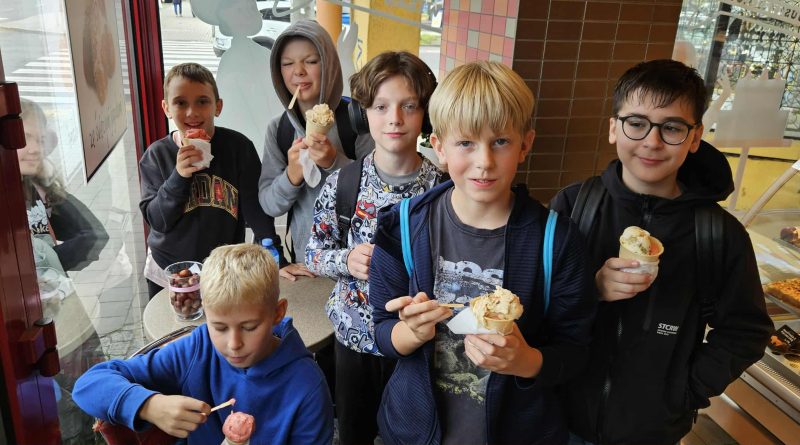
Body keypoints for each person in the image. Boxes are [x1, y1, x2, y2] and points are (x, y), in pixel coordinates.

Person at [369, 61, 596, 445]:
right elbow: (381, 332)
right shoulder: (402, 227)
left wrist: (525, 361)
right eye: (466, 143)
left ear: (525, 144)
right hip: (413, 431)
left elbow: (576, 351)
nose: (484, 162)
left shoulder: (557, 240)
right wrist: (410, 332)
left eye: (501, 142)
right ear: (439, 146)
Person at [549, 59, 772, 445]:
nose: (652, 141)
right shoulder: (574, 207)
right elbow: (535, 302)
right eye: (637, 123)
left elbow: (746, 330)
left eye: (671, 127)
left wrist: (684, 390)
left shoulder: (718, 234)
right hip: (556, 421)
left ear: (695, 137)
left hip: (652, 431)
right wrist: (591, 289)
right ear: (613, 128)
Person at [305, 51, 442, 445]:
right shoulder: (344, 184)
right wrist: (346, 259)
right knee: (354, 434)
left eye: (409, 106)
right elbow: (314, 252)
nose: (394, 118)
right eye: (381, 107)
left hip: (417, 344)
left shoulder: (441, 189)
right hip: (355, 341)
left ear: (425, 115)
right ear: (362, 113)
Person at [73, 243, 334, 444]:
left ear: (277, 313)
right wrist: (149, 405)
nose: (233, 344)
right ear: (205, 313)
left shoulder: (307, 388)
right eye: (219, 327)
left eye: (249, 327)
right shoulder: (198, 350)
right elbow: (88, 385)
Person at [139, 62, 285, 298]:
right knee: (176, 321)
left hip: (225, 268)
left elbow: (255, 207)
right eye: (180, 103)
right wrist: (179, 176)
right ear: (166, 108)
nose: (192, 112)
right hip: (169, 270)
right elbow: (157, 220)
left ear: (218, 106)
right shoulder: (156, 155)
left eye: (202, 101)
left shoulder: (238, 148)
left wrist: (277, 256)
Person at [258, 20, 374, 280]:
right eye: (287, 64)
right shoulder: (279, 129)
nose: (298, 71)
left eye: (310, 61)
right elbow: (269, 204)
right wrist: (291, 176)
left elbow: (377, 190)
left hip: (358, 262)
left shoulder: (356, 121)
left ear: (329, 65)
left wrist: (335, 162)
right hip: (307, 264)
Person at [19, 99, 108, 273]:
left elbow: (94, 234)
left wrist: (48, 266)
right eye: (24, 138)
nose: (35, 149)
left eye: (40, 140)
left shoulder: (37, 186)